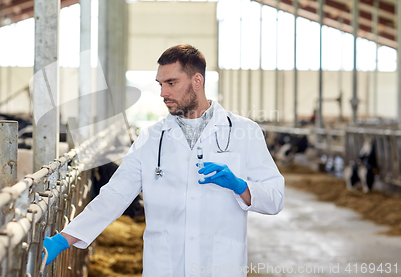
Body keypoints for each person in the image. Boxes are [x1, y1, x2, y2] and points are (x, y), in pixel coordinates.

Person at [43, 44, 284, 276]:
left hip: (220, 264)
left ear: (197, 81)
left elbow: (275, 198)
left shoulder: (244, 131)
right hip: (165, 266)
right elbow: (114, 195)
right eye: (160, 84)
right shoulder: (150, 138)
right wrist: (63, 239)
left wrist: (241, 187)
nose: (163, 93)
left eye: (171, 83)